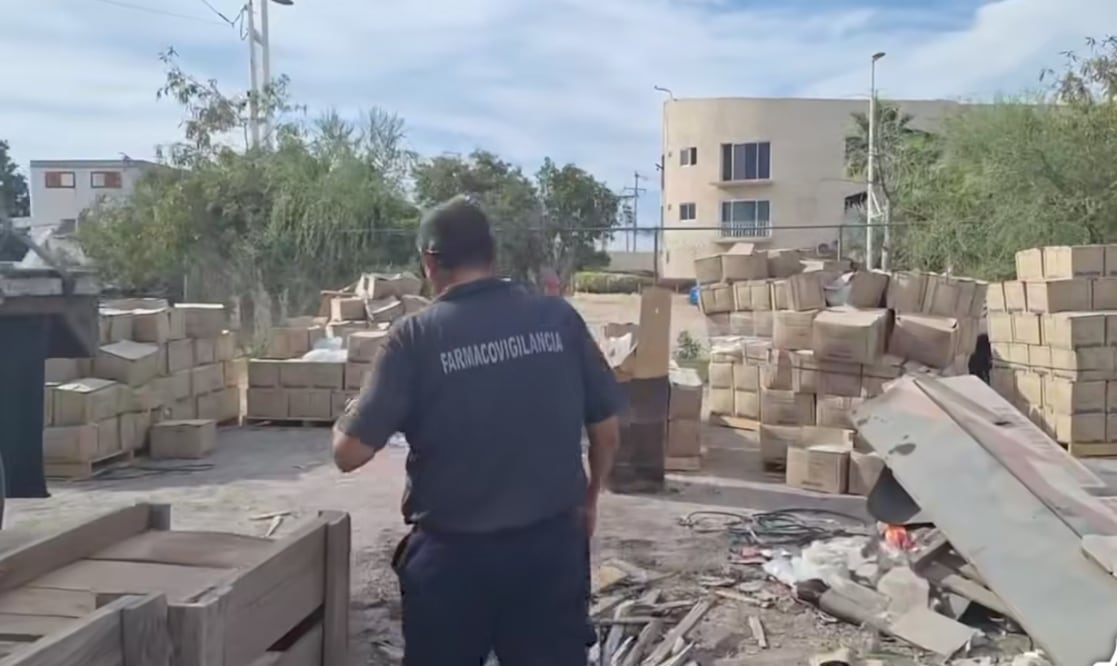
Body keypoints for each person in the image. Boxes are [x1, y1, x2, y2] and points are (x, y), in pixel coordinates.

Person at [332, 195, 622, 665]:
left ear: (429, 261)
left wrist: (354, 408)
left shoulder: (415, 337)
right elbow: (606, 430)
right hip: (550, 554)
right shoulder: (558, 318)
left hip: (453, 565)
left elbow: (348, 453)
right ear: (493, 254)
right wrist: (589, 501)